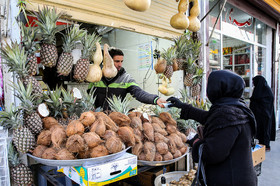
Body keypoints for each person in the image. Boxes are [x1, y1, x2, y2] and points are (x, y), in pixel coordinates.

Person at [167, 70, 257, 186]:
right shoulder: (236, 107)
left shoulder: (227, 114)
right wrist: (183, 106)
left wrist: (195, 141)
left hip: (231, 180)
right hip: (241, 177)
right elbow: (211, 118)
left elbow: (211, 154)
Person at [88, 48, 166, 110]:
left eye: (122, 61)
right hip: (97, 116)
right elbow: (89, 93)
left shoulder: (126, 78)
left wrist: (155, 99)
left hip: (116, 117)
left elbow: (139, 93)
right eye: (117, 61)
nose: (120, 65)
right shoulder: (96, 75)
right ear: (107, 61)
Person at [249, 75, 276, 152]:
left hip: (266, 115)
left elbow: (262, 102)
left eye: (254, 82)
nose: (253, 84)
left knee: (266, 130)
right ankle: (262, 144)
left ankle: (266, 145)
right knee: (261, 129)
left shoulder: (266, 91)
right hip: (260, 115)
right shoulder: (260, 89)